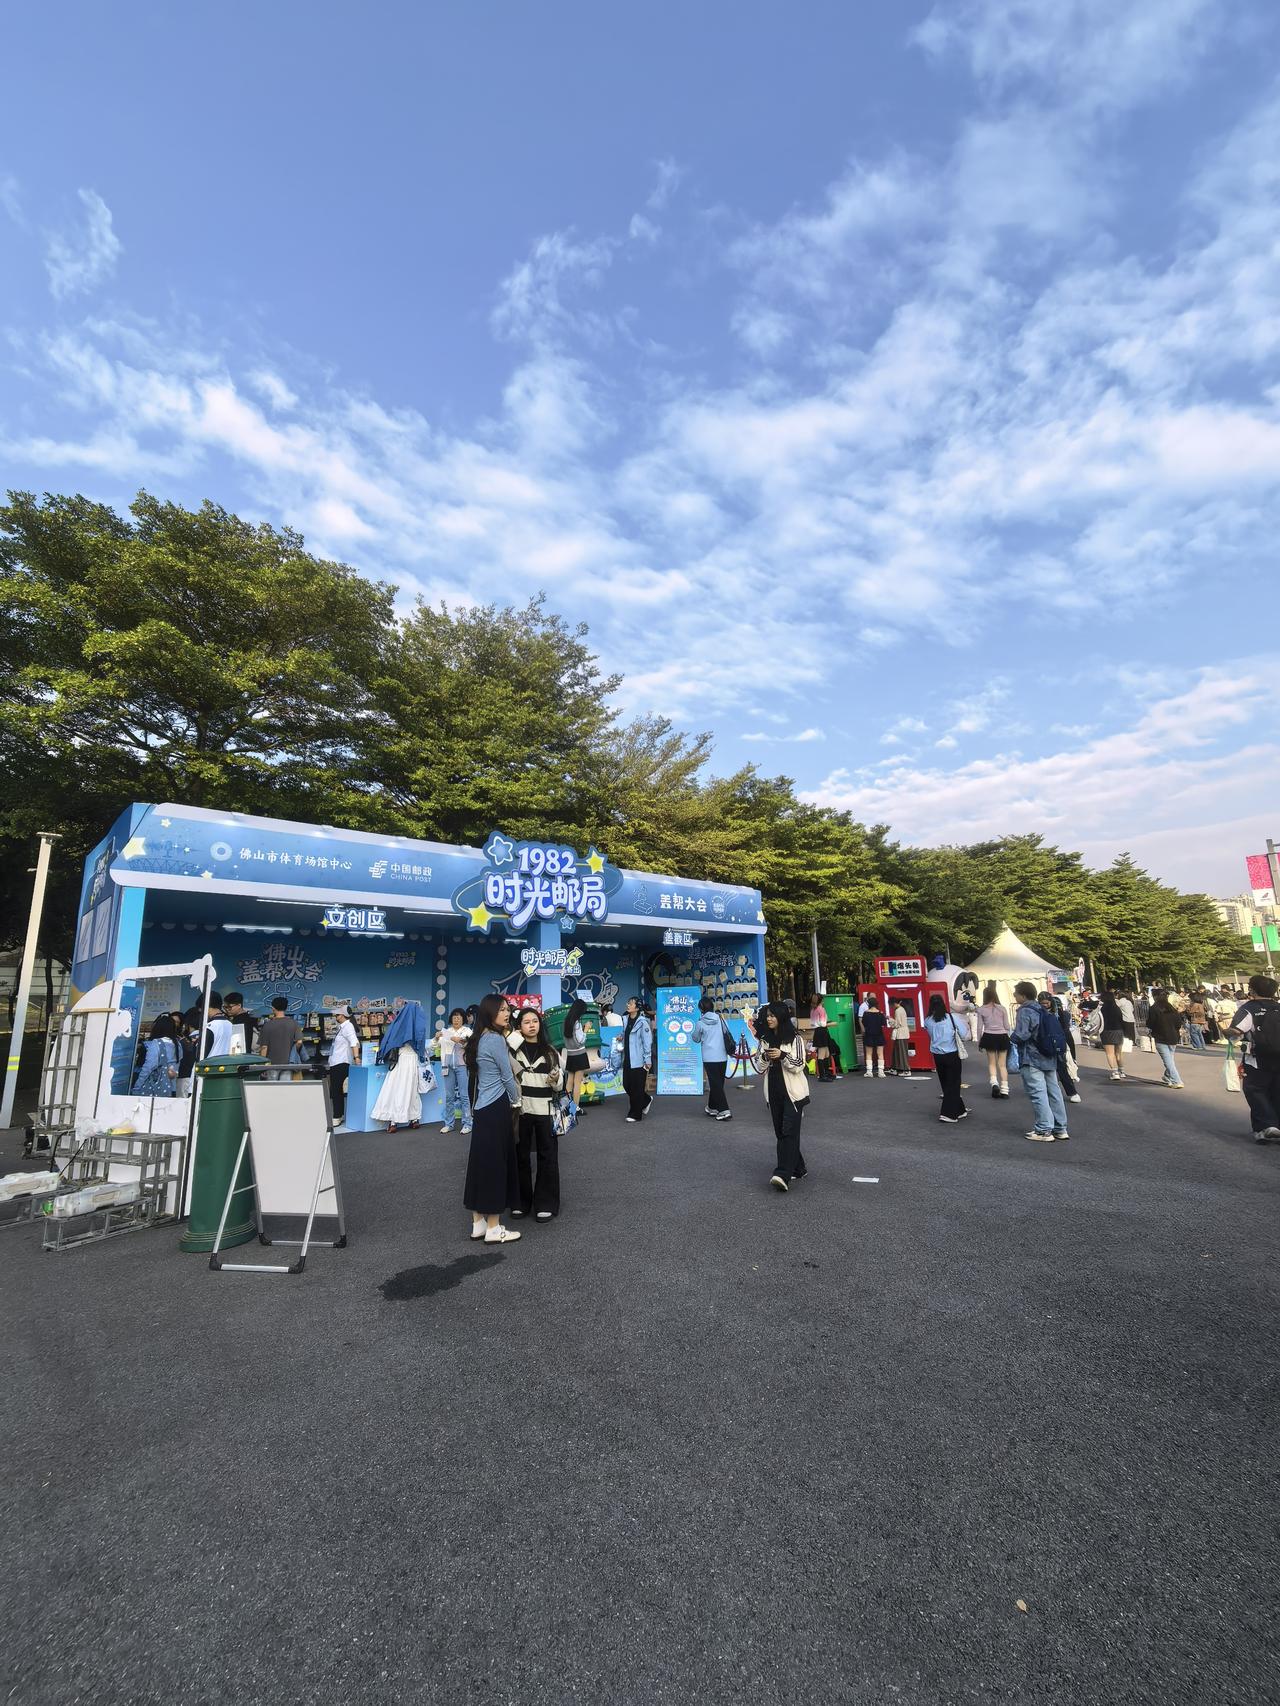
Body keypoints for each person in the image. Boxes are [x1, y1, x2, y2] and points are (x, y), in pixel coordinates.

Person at [463, 994, 522, 1243]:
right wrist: (517, 1098)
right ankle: (494, 1227)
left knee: (479, 1165)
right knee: (496, 1165)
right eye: (501, 1010)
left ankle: (478, 1222)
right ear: (489, 1012)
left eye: (507, 1009)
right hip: (496, 1106)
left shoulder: (477, 1038)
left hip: (481, 1108)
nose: (507, 1014)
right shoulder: (496, 1039)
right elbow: (507, 1075)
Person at [748, 1002, 809, 1191]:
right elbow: (759, 1067)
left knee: (788, 1132)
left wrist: (783, 1056)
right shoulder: (764, 1039)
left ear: (781, 1017)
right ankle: (798, 1167)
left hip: (794, 1094)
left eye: (773, 1015)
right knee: (781, 1133)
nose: (769, 1019)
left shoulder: (795, 1039)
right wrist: (765, 1057)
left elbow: (799, 1064)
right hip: (773, 1092)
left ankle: (782, 1174)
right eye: (767, 1015)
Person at [510, 1007, 561, 1220]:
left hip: (545, 1110)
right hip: (521, 1111)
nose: (532, 1025)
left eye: (535, 1021)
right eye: (526, 1022)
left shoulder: (550, 1051)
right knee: (519, 1156)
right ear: (519, 1026)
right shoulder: (513, 1050)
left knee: (547, 1157)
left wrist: (555, 1079)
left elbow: (560, 1085)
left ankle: (545, 1202)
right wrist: (514, 1037)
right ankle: (521, 1202)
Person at [1012, 981, 1069, 1142]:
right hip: (1049, 1055)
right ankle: (1060, 1128)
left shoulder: (1025, 1011)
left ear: (1023, 995)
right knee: (1054, 1092)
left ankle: (1044, 1130)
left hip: (1032, 1057)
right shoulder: (1041, 1008)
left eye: (1016, 993)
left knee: (1038, 1093)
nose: (1014, 996)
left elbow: (1022, 1034)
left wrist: (1011, 1037)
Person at [1228, 974, 1280, 1143]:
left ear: (1252, 990)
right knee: (1276, 1091)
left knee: (1256, 1091)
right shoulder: (1278, 1007)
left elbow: (1237, 1030)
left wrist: (1226, 1031)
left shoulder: (1248, 1008)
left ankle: (1268, 1126)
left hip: (1257, 1058)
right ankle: (1265, 1129)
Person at [371, 999, 426, 1131]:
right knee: (412, 1090)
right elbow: (421, 1045)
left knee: (395, 1088)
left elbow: (389, 1041)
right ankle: (414, 1119)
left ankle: (393, 1122)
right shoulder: (420, 1024)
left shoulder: (398, 1023)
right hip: (413, 1060)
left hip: (401, 1059)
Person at [922, 995, 967, 1123]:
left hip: (937, 1055)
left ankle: (960, 1110)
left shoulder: (928, 1021)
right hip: (952, 1054)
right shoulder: (951, 1018)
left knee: (946, 1082)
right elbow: (964, 1033)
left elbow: (929, 1034)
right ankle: (948, 1114)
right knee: (954, 1083)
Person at [692, 995, 733, 1119]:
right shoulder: (720, 1019)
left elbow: (696, 1038)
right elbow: (727, 1032)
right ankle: (712, 1107)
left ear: (701, 1008)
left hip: (709, 1058)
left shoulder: (700, 1023)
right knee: (718, 1083)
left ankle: (724, 1110)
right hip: (722, 1056)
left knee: (715, 1084)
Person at [1039, 992, 1081, 1107]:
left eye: (1047, 1003)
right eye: (1042, 1003)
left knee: (1062, 1070)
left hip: (1058, 1045)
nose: (1045, 1005)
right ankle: (1049, 1092)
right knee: (1047, 1071)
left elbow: (1065, 1031)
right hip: (1044, 1045)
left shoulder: (1059, 1013)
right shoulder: (1038, 1013)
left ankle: (1072, 1092)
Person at [436, 1008, 472, 1135]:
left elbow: (472, 1046)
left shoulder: (467, 1031)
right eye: (454, 1017)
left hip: (462, 1066)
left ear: (463, 1019)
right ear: (451, 1019)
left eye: (459, 1017)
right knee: (449, 1096)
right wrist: (436, 1038)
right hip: (447, 1066)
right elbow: (435, 1046)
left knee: (464, 1096)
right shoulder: (446, 1031)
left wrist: (460, 1041)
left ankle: (467, 1123)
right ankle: (449, 1124)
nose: (456, 1019)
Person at [620, 996, 654, 1123]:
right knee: (626, 1085)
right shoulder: (625, 1019)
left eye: (631, 1003)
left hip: (639, 1060)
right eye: (628, 1003)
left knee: (637, 1087)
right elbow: (626, 1035)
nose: (628, 1005)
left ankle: (635, 1114)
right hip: (627, 1059)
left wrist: (648, 1059)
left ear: (637, 1007)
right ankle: (646, 1100)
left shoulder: (642, 1022)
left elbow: (647, 1042)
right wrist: (621, 1037)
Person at [976, 984, 1011, 1098]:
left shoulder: (981, 1009)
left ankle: (994, 1083)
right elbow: (1007, 1026)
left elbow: (979, 1027)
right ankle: (1005, 1090)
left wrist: (979, 1041)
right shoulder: (1002, 1008)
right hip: (1002, 1036)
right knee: (1002, 1065)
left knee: (992, 1063)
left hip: (989, 1036)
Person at [327, 1005, 359, 1131]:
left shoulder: (348, 1027)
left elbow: (354, 1042)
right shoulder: (342, 1027)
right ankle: (338, 1115)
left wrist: (356, 1057)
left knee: (336, 1090)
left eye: (337, 1014)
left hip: (341, 1063)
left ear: (343, 1015)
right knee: (337, 1090)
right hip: (336, 1062)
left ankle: (337, 1116)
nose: (336, 1016)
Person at [257, 995, 302, 1081]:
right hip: (288, 1063)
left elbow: (264, 1047)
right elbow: (299, 1042)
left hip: (271, 1064)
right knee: (285, 1087)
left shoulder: (267, 1025)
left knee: (272, 1087)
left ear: (273, 1008)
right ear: (286, 1008)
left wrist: (262, 1066)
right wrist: (292, 1052)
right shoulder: (294, 1023)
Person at [132, 1014, 179, 1097]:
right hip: (172, 1087)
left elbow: (148, 1067)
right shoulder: (177, 1044)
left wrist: (137, 1086)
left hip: (155, 1089)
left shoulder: (156, 1043)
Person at [1147, 990, 1185, 1088]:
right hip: (1173, 1036)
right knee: (1170, 1059)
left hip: (1160, 1037)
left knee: (1168, 1061)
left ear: (1155, 997)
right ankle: (1167, 1076)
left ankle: (1177, 1081)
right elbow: (1178, 1023)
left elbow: (1150, 1023)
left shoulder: (1153, 1008)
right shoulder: (1171, 1008)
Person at [562, 997, 591, 1116]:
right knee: (577, 1083)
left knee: (569, 1082)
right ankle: (575, 1109)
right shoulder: (577, 1023)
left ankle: (567, 1107)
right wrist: (586, 1029)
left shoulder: (566, 1021)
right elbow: (580, 1041)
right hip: (579, 1054)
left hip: (570, 1054)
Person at [1097, 989, 1127, 1080]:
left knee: (1110, 1053)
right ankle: (1122, 1071)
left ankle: (1115, 1072)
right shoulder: (1117, 1008)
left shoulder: (1102, 1009)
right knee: (1118, 1053)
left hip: (1107, 1031)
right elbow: (1121, 1020)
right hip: (1118, 1031)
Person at [859, 996, 888, 1078]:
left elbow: (864, 1023)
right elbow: (883, 1024)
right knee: (880, 1054)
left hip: (869, 1035)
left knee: (869, 1054)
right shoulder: (880, 1013)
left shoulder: (866, 1013)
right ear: (876, 1004)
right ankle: (881, 1072)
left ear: (869, 1004)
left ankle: (869, 1071)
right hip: (879, 1034)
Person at [204, 993, 234, 1057]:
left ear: (206, 1006)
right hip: (227, 1062)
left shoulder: (209, 1027)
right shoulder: (231, 1024)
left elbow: (202, 1054)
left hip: (210, 1062)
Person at [889, 1000, 911, 1076]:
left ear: (894, 1004)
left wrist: (890, 1019)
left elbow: (897, 1024)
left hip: (900, 1034)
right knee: (900, 1052)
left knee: (901, 1052)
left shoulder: (897, 1011)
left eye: (891, 1005)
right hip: (904, 1033)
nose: (891, 1007)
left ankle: (906, 1070)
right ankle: (896, 1068)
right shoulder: (902, 1009)